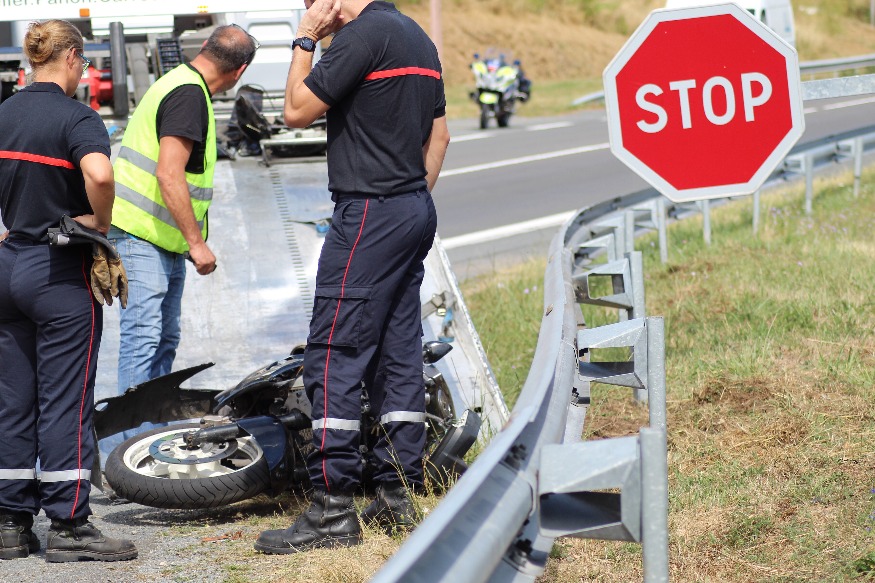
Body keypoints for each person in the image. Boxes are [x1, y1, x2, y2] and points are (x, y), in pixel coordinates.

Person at [254, 0, 450, 554]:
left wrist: (304, 39)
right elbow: (440, 138)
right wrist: (407, 199)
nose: (309, 8)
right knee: (397, 352)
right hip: (412, 207)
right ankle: (397, 491)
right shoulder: (415, 36)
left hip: (368, 210)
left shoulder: (360, 38)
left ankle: (332, 507)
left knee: (334, 354)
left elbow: (296, 110)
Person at [0, 20, 137, 562]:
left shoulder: (5, 112)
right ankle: (69, 525)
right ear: (73, 57)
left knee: (12, 400)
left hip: (8, 266)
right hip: (56, 272)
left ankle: (10, 524)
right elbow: (99, 175)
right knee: (65, 399)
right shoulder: (77, 116)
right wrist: (98, 223)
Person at [101, 24, 259, 454]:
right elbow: (169, 175)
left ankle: (147, 435)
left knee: (162, 339)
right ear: (240, 70)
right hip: (142, 235)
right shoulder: (189, 95)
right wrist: (197, 243)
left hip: (158, 239)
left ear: (204, 47)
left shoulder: (182, 83)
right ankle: (124, 451)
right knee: (144, 338)